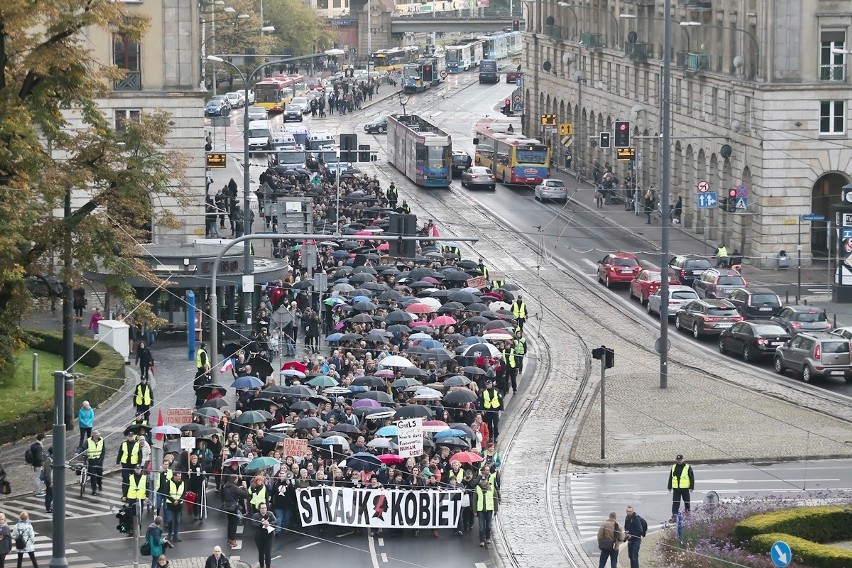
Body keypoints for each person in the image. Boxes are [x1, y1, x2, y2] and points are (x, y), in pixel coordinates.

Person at [221, 475, 249, 549]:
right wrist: (245, 487)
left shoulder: (225, 486)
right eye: (236, 479)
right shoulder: (234, 488)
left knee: (230, 523)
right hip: (233, 507)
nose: (237, 481)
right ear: (234, 480)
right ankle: (232, 540)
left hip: (227, 506)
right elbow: (245, 495)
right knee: (234, 524)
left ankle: (229, 538)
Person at [472, 476, 498, 548]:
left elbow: (495, 499)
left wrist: (496, 509)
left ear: (487, 480)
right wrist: (474, 511)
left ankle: (487, 538)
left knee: (489, 526)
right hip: (481, 510)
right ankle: (482, 540)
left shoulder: (492, 488)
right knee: (481, 527)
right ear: (480, 481)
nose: (483, 482)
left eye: (484, 480)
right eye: (482, 480)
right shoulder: (477, 488)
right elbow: (474, 500)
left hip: (489, 509)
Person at [668, 454, 694, 521]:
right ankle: (674, 515)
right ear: (676, 460)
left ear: (683, 460)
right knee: (675, 502)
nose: (679, 461)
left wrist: (691, 487)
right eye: (678, 460)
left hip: (685, 488)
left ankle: (687, 515)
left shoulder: (687, 467)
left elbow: (691, 477)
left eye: (680, 460)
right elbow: (671, 477)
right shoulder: (673, 467)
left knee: (687, 502)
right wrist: (669, 486)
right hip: (676, 488)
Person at [125, 464, 148, 536]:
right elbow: (126, 486)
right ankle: (131, 529)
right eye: (136, 469)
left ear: (141, 469)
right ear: (134, 469)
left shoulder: (144, 477)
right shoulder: (130, 477)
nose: (138, 470)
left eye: (139, 469)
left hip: (140, 497)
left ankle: (138, 528)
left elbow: (147, 487)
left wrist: (147, 496)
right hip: (132, 497)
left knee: (139, 514)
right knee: (131, 514)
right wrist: (124, 495)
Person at [251, 503, 276, 568]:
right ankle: (262, 566)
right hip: (259, 537)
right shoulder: (256, 516)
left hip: (268, 536)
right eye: (262, 508)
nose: (264, 510)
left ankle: (268, 566)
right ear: (259, 509)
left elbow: (275, 521)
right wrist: (261, 524)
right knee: (261, 553)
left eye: (265, 508)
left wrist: (269, 523)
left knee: (268, 553)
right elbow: (253, 524)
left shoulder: (270, 514)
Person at [164, 471, 186, 542]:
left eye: (180, 476)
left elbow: (183, 493)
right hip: (170, 504)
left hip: (179, 505)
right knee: (170, 520)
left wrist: (179, 501)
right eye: (178, 476)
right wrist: (173, 501)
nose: (179, 477)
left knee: (177, 521)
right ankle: (169, 534)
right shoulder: (169, 483)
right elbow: (166, 493)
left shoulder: (183, 483)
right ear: (174, 476)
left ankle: (175, 536)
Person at [86, 431, 105, 496]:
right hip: (92, 460)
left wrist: (101, 459)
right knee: (93, 475)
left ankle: (99, 484)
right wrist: (77, 452)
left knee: (99, 474)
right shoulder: (88, 441)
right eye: (96, 435)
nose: (98, 436)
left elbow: (103, 450)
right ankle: (94, 489)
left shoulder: (101, 440)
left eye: (98, 434)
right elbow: (83, 447)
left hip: (99, 460)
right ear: (93, 435)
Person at [42, 448, 52, 514]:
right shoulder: (49, 459)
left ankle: (49, 507)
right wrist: (51, 482)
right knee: (49, 494)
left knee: (51, 494)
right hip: (50, 480)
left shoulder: (48, 458)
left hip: (50, 479)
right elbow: (48, 472)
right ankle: (48, 508)